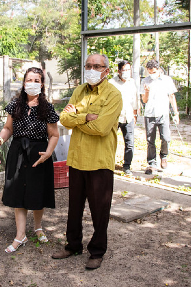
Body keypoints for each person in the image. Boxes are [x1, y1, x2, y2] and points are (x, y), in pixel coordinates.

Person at [51, 54, 122, 270]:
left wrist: (77, 119)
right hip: (77, 158)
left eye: (96, 66)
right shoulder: (79, 91)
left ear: (106, 70)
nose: (91, 69)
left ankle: (97, 251)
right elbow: (63, 119)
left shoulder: (113, 95)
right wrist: (85, 117)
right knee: (74, 207)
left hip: (100, 161)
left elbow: (101, 129)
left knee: (99, 210)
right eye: (88, 65)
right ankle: (73, 245)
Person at [0, 67, 60, 253]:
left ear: (42, 84)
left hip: (39, 154)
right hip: (18, 151)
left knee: (37, 193)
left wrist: (48, 153)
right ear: (23, 83)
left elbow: (54, 135)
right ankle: (21, 235)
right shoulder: (15, 105)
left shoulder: (48, 108)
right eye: (29, 80)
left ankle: (38, 227)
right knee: (18, 193)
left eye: (37, 80)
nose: (33, 83)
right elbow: (8, 128)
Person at [140, 60, 180, 174]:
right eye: (149, 72)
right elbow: (144, 100)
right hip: (150, 114)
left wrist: (176, 113)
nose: (151, 74)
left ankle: (164, 156)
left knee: (166, 138)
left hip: (163, 113)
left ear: (159, 70)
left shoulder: (166, 80)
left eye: (153, 71)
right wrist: (146, 92)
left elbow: (171, 96)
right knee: (150, 140)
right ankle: (152, 163)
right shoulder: (145, 81)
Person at [108, 60, 139, 175]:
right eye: (124, 70)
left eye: (128, 70)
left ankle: (127, 166)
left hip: (129, 116)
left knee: (129, 142)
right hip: (114, 117)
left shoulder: (132, 82)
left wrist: (135, 114)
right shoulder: (111, 82)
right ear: (119, 71)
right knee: (110, 141)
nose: (126, 72)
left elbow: (135, 99)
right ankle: (109, 164)